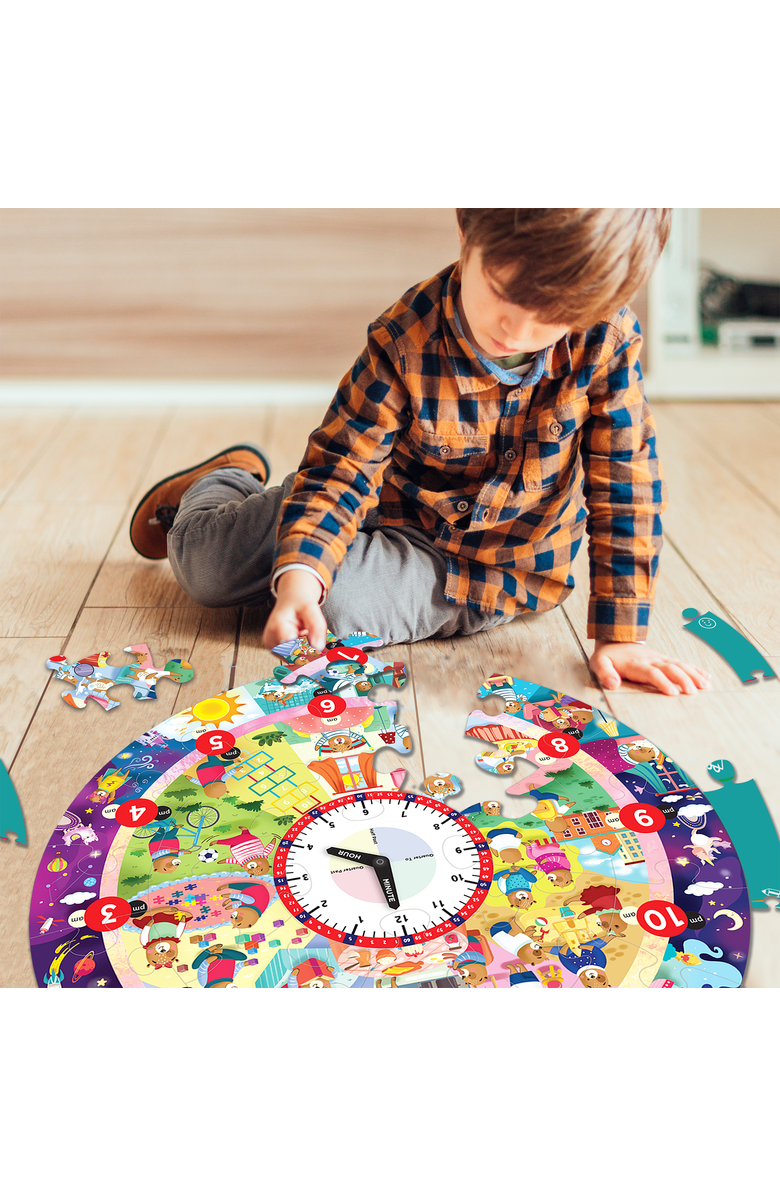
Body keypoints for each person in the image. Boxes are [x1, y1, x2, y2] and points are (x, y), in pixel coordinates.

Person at [129, 209, 711, 695]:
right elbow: (343, 465)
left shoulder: (607, 343)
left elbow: (626, 484)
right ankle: (227, 483)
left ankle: (310, 557)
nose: (516, 329)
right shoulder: (405, 337)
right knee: (207, 569)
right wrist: (302, 573)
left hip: (484, 571)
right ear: (467, 231)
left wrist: (621, 633)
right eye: (503, 292)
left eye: (552, 319)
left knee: (340, 613)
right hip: (383, 497)